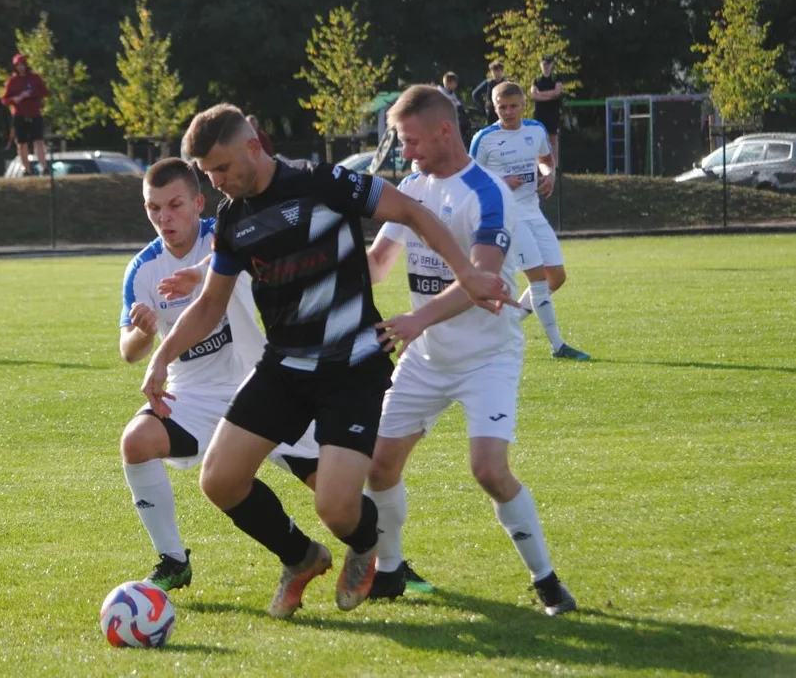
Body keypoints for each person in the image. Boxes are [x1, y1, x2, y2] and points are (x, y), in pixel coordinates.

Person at [140, 103, 513, 619]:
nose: (219, 181)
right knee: (219, 480)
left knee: (336, 507)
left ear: (254, 146)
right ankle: (301, 558)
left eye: (223, 168)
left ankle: (365, 545)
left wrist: (466, 274)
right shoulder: (232, 219)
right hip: (285, 368)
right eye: (209, 173)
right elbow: (210, 304)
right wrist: (161, 359)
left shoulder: (322, 181)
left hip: (354, 365)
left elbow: (411, 211)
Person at [364, 84, 577, 616]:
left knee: (488, 470)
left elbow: (480, 279)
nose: (406, 152)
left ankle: (547, 580)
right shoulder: (411, 189)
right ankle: (390, 573)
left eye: (412, 140)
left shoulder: (488, 193)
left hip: (487, 356)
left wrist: (417, 319)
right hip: (427, 355)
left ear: (443, 131)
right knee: (379, 467)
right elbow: (377, 264)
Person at [119, 157, 320, 591]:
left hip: (264, 382)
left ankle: (389, 563)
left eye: (174, 205)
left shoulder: (229, 232)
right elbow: (129, 353)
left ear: (198, 201)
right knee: (136, 442)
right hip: (194, 396)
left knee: (335, 492)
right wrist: (141, 332)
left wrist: (200, 274)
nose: (164, 218)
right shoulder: (143, 269)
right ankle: (173, 559)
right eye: (154, 208)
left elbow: (244, 257)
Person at [470, 81, 590, 360]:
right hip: (506, 217)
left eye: (513, 106)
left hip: (533, 211)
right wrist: (501, 182)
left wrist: (549, 174)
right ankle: (558, 346)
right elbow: (469, 179)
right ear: (493, 107)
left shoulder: (535, 130)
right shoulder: (484, 138)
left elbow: (546, 159)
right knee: (537, 279)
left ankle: (506, 323)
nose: (508, 112)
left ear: (524, 105)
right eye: (502, 107)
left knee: (556, 277)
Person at [1, 54, 49, 176]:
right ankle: (26, 169)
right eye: (18, 65)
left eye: (22, 65)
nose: (20, 67)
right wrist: (16, 99)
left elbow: (45, 92)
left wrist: (31, 95)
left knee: (38, 141)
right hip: (19, 115)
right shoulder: (12, 81)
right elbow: (5, 100)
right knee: (22, 143)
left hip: (35, 114)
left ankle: (44, 167)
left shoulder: (34, 78)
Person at [532, 55, 564, 167]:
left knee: (552, 139)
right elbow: (534, 95)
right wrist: (548, 96)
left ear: (551, 65)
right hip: (540, 113)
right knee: (539, 138)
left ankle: (555, 165)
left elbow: (557, 92)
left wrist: (542, 94)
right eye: (544, 64)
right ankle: (541, 164)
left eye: (548, 64)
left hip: (553, 112)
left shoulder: (556, 78)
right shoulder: (537, 79)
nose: (546, 66)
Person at [439, 71, 473, 149]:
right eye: (453, 83)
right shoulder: (441, 94)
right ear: (448, 83)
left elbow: (458, 105)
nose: (455, 85)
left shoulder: (452, 93)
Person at [471, 60, 507, 125]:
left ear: (502, 71)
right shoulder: (488, 83)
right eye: (494, 71)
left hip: (505, 110)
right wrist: (483, 104)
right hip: (492, 111)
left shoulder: (506, 83)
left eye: (498, 71)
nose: (496, 73)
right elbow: (475, 94)